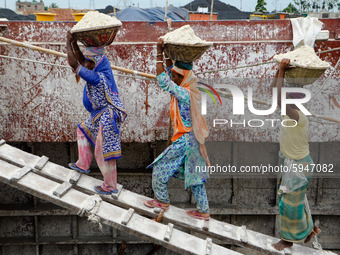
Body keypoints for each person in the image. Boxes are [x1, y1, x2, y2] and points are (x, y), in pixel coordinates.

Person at [144, 38, 211, 220]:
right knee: (196, 179)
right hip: (194, 140)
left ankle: (162, 200)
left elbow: (163, 81)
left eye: (175, 75)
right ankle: (204, 211)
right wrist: (167, 54)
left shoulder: (185, 93)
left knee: (159, 169)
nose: (172, 76)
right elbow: (168, 72)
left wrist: (158, 52)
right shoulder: (190, 86)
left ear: (182, 77)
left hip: (185, 140)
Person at [66, 31, 127, 195]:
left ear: (94, 63)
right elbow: (81, 60)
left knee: (104, 151)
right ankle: (83, 164)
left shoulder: (98, 76)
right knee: (83, 130)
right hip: (99, 115)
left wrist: (67, 42)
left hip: (108, 116)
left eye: (88, 62)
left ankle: (110, 186)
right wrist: (74, 44)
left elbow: (75, 64)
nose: (85, 64)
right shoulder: (100, 64)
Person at [271, 59, 321, 251]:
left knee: (288, 206)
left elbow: (277, 98)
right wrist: (279, 71)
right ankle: (310, 231)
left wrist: (282, 69)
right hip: (292, 164)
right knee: (291, 203)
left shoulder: (299, 117)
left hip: (300, 166)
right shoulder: (289, 113)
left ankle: (287, 240)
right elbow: (273, 91)